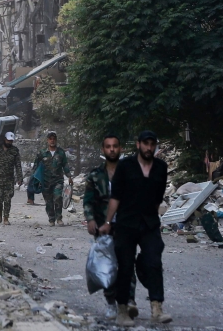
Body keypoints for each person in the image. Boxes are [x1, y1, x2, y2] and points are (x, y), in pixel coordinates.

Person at [100, 130, 172, 326]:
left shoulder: (160, 168)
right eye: (146, 144)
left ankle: (157, 308)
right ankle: (122, 309)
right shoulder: (126, 167)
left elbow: (158, 197)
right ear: (138, 145)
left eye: (152, 144)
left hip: (149, 224)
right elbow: (115, 197)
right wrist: (108, 223)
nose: (149, 148)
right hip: (126, 223)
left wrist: (153, 217)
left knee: (154, 262)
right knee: (124, 266)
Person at [83, 134, 137, 320]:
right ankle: (111, 304)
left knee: (127, 263)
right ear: (103, 150)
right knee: (106, 266)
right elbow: (88, 201)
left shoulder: (130, 173)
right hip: (103, 228)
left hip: (126, 226)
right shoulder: (95, 176)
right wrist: (90, 220)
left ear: (120, 149)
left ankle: (129, 301)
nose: (112, 149)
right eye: (108, 146)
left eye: (115, 146)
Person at [33, 130, 71, 225]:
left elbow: (65, 165)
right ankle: (51, 219)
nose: (52, 141)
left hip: (58, 180)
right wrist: (34, 179)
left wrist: (69, 176)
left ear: (56, 140)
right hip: (45, 181)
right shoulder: (42, 153)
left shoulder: (61, 153)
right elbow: (36, 166)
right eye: (50, 139)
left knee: (58, 197)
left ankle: (59, 218)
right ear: (47, 140)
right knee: (49, 202)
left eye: (54, 139)